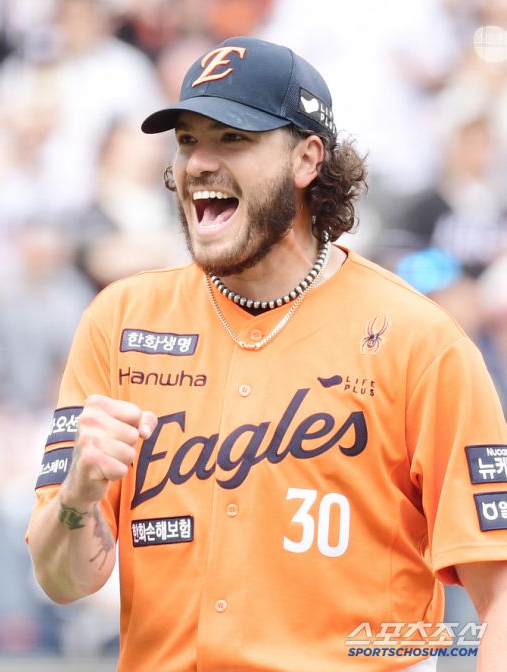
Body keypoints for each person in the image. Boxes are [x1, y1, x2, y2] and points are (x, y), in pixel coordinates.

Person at [27, 36, 507, 672]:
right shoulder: (119, 321)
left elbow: (499, 594)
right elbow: (63, 581)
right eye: (188, 140)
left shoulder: (420, 341)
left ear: (307, 159)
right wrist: (78, 494)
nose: (199, 162)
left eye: (233, 138)